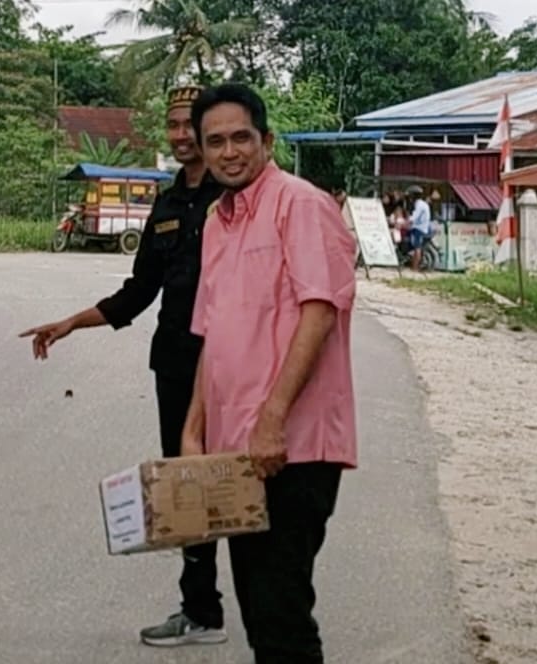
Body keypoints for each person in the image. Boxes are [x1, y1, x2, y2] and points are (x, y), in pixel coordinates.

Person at [18, 86, 228, 648]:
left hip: (238, 365)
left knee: (246, 482)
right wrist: (68, 324)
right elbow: (138, 292)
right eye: (174, 125)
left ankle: (267, 606)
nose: (182, 135)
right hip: (178, 365)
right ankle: (202, 610)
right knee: (189, 485)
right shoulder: (165, 203)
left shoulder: (236, 194)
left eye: (191, 125)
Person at [183, 82, 358, 664]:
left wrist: (273, 418)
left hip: (294, 446)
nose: (229, 152)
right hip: (239, 450)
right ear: (200, 150)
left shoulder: (302, 205)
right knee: (257, 610)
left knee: (282, 614)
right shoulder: (217, 221)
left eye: (241, 138)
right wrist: (193, 431)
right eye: (216, 142)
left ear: (266, 140)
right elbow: (213, 333)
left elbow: (320, 310)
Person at [405, 184, 431, 270]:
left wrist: (405, 222)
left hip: (419, 229)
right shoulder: (422, 204)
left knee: (417, 247)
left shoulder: (419, 205)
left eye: (410, 195)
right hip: (420, 228)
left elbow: (414, 217)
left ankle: (415, 268)